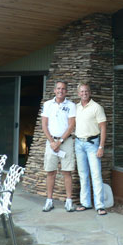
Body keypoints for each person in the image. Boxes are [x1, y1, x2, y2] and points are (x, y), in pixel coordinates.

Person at [41, 81, 76, 212]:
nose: (61, 91)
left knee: (67, 172)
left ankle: (68, 201)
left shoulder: (71, 105)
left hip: (65, 142)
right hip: (51, 142)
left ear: (66, 91)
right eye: (58, 88)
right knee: (50, 172)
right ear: (54, 90)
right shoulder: (47, 105)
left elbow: (71, 125)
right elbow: (44, 125)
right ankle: (49, 201)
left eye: (63, 89)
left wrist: (60, 142)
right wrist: (52, 142)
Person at [74, 83, 108, 215]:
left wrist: (101, 146)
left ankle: (99, 206)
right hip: (78, 144)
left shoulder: (96, 107)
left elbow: (103, 128)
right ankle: (85, 203)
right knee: (83, 175)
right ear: (78, 93)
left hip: (92, 144)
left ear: (90, 92)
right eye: (81, 92)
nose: (84, 93)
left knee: (96, 175)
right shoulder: (76, 108)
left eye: (86, 91)